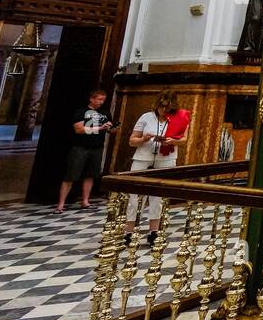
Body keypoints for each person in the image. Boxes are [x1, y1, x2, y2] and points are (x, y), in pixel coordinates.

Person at [125, 90, 189, 245]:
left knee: (158, 196)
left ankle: (154, 232)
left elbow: (184, 140)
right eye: (161, 107)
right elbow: (132, 141)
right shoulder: (146, 117)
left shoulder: (179, 118)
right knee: (134, 194)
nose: (163, 111)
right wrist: (143, 139)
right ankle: (129, 231)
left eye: (167, 108)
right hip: (143, 155)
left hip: (165, 157)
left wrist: (172, 141)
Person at [57, 88, 114, 212]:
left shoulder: (105, 113)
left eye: (103, 100)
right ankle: (61, 204)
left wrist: (111, 127)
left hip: (97, 147)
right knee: (71, 175)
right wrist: (99, 128)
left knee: (90, 175)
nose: (101, 102)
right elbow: (79, 129)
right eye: (99, 99)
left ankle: (85, 201)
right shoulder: (81, 112)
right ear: (91, 99)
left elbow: (109, 129)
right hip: (80, 147)